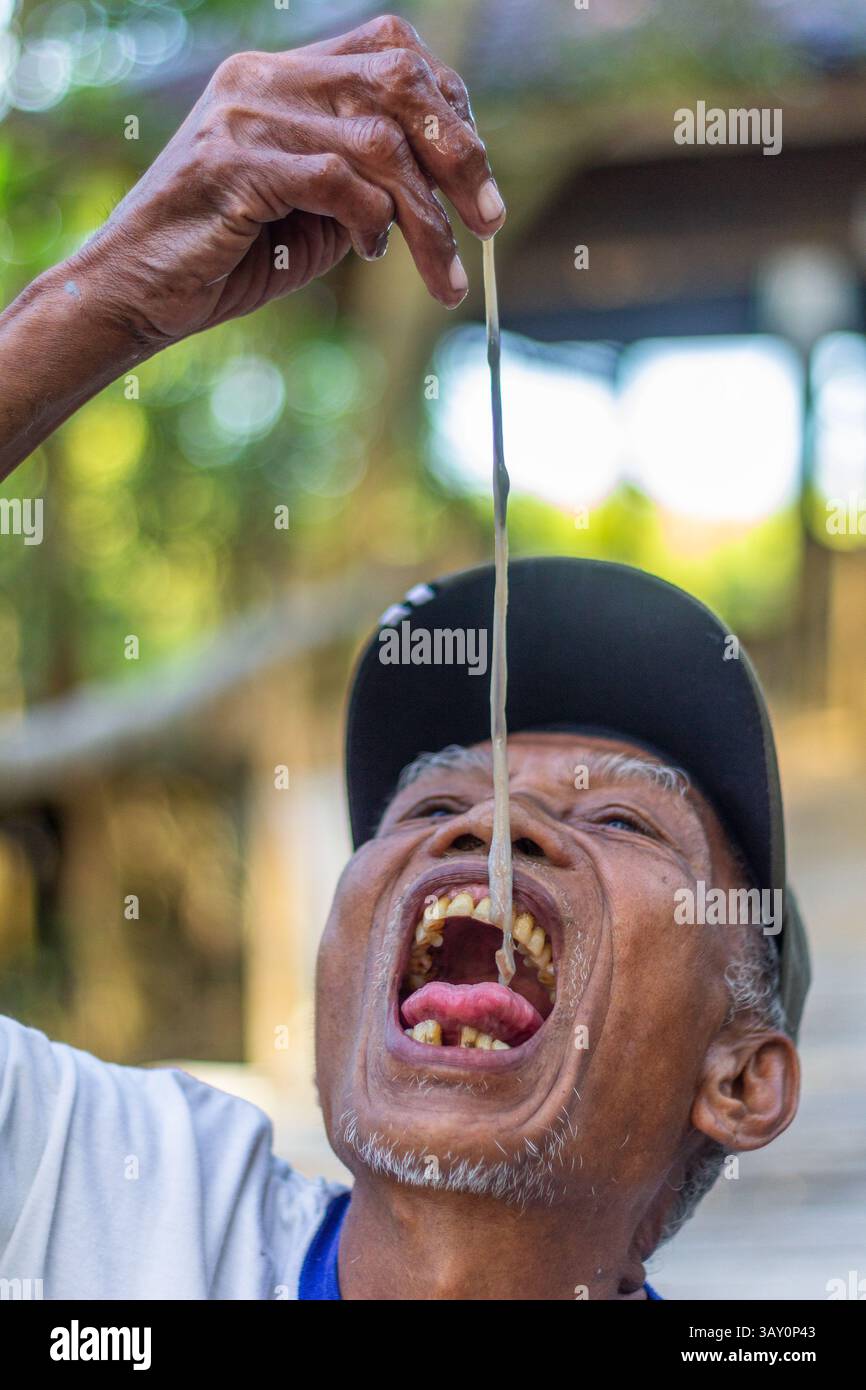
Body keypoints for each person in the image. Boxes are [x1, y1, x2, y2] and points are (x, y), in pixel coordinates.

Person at [0, 17, 810, 1301]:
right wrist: (105, 297)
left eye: (615, 817)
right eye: (430, 803)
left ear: (741, 1076)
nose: (486, 826)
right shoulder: (95, 1206)